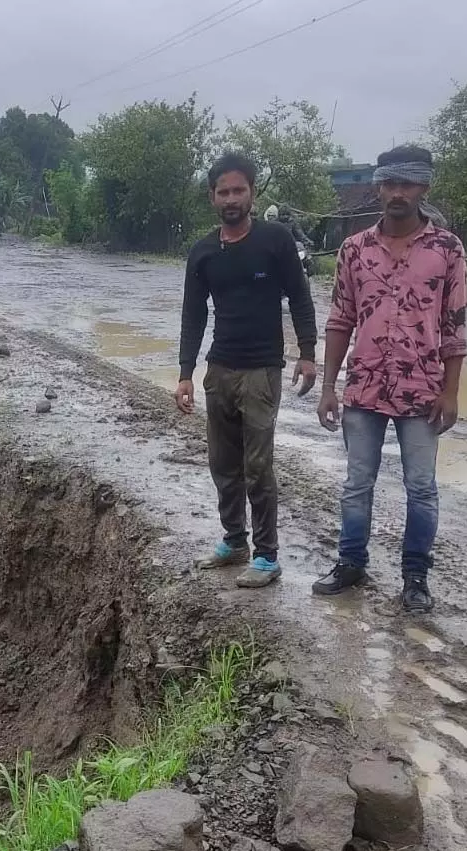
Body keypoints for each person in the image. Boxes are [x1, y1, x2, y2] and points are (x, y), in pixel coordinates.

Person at [312, 145, 467, 613]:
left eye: (407, 184)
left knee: (421, 487)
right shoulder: (354, 250)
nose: (397, 193)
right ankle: (351, 562)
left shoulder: (447, 250)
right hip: (363, 389)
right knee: (357, 483)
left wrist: (452, 391)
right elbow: (340, 320)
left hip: (423, 391)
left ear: (424, 187)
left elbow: (454, 327)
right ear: (378, 186)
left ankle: (416, 577)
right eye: (390, 183)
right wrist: (327, 386)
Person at [176, 152, 318, 588]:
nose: (232, 198)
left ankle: (267, 555)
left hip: (262, 371)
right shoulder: (202, 252)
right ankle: (234, 540)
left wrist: (308, 352)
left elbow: (299, 296)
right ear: (212, 197)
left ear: (253, 194)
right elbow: (193, 315)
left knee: (258, 466)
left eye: (239, 190)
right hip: (219, 369)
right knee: (223, 462)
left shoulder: (275, 241)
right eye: (224, 191)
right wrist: (185, 372)